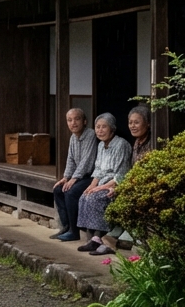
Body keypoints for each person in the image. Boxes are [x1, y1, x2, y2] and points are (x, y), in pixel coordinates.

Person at [76, 112, 132, 256]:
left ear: (112, 128)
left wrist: (101, 187)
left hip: (116, 184)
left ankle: (99, 238)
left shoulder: (121, 144)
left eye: (104, 127)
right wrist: (91, 186)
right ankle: (94, 238)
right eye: (97, 127)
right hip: (103, 182)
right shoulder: (101, 145)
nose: (100, 130)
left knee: (96, 198)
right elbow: (99, 169)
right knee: (85, 196)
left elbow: (121, 173)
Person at [101, 105, 151, 250]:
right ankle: (115, 234)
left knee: (129, 198)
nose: (132, 126)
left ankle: (126, 238)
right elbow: (130, 171)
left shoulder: (152, 142)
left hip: (146, 185)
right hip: (134, 182)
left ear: (148, 124)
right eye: (130, 122)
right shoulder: (137, 141)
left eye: (137, 122)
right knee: (114, 193)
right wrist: (116, 183)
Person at [51, 108, 98, 242]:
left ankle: (74, 230)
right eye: (69, 120)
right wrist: (66, 177)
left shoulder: (90, 135)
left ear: (85, 121)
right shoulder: (73, 137)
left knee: (70, 192)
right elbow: (70, 159)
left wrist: (73, 179)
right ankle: (66, 226)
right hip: (79, 176)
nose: (73, 123)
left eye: (77, 119)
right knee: (58, 189)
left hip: (92, 176)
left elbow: (87, 161)